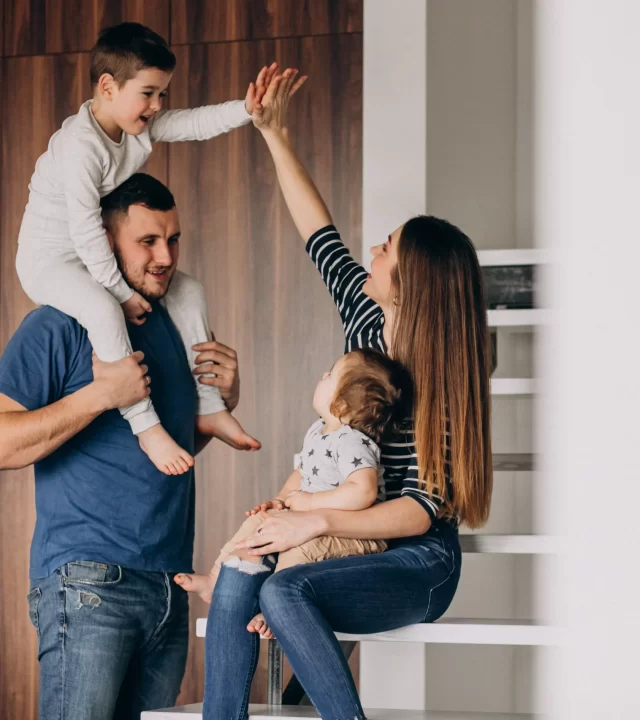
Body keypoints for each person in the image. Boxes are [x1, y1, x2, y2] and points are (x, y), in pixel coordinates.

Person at [200, 71, 494, 720]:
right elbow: (319, 235)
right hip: (347, 545)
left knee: (286, 594)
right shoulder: (366, 324)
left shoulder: (445, 377)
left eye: (389, 247)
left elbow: (421, 510)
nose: (374, 247)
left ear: (411, 282)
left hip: (416, 561)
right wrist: (273, 134)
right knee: (241, 569)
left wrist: (315, 519)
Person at [0, 173, 245, 720]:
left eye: (173, 239)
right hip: (88, 583)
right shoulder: (56, 325)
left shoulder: (171, 326)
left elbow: (164, 456)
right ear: (105, 243)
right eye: (148, 242)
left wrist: (219, 402)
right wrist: (99, 397)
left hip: (168, 585)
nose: (165, 256)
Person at [15, 21, 269, 475]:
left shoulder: (134, 128)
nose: (156, 107)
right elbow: (88, 229)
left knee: (188, 289)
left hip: (92, 254)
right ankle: (143, 423)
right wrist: (121, 292)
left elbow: (193, 123)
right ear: (107, 87)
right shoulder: (80, 146)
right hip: (51, 260)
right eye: (148, 93)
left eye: (162, 96)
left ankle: (208, 406)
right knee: (102, 310)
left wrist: (247, 109)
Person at [174, 348, 412, 637]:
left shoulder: (353, 442)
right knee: (255, 525)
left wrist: (311, 502)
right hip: (311, 521)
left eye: (332, 374)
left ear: (345, 405)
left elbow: (362, 492)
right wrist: (281, 501)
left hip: (352, 535)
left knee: (298, 553)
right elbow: (301, 474)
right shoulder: (318, 432)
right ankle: (216, 578)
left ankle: (277, 610)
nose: (323, 375)